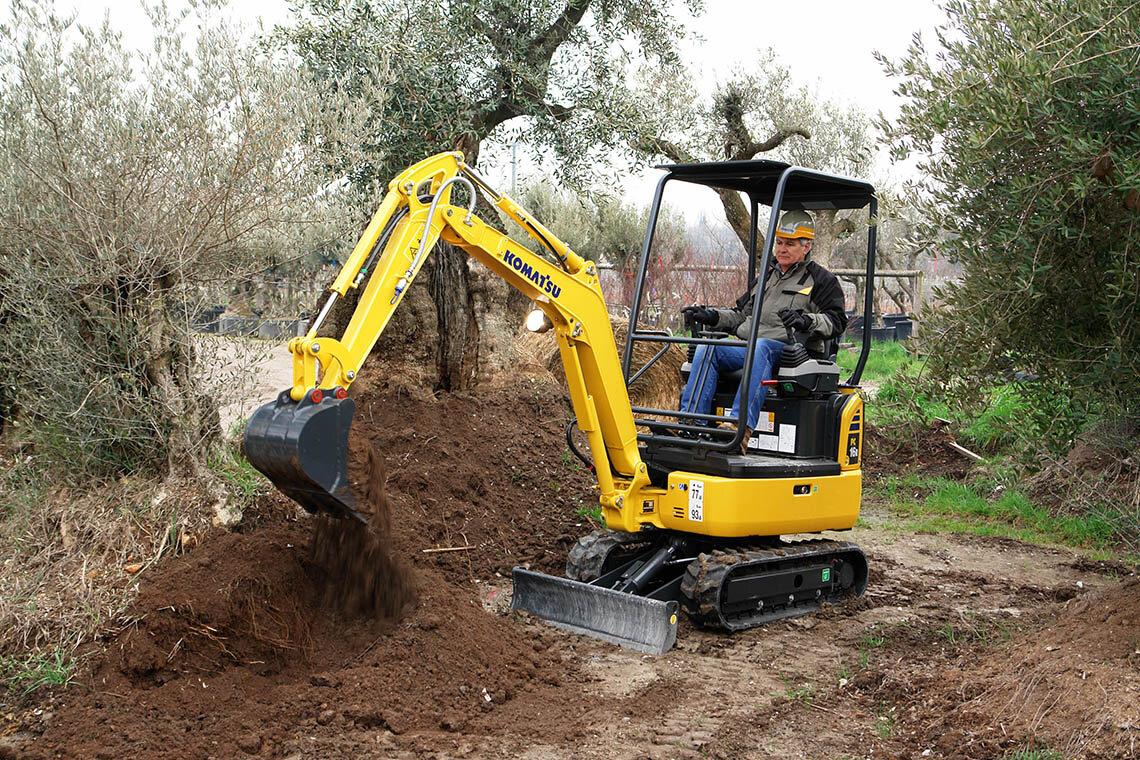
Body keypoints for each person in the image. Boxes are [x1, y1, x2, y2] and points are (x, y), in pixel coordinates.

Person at [678, 210, 848, 453]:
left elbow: (836, 321)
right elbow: (740, 315)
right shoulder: (767, 277)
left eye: (789, 244)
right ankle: (691, 424)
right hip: (753, 349)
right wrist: (712, 316)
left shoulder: (821, 280)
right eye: (779, 243)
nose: (782, 249)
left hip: (792, 352)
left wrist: (806, 320)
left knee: (762, 347)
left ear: (806, 246)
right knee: (709, 347)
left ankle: (738, 429)